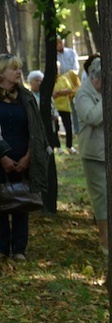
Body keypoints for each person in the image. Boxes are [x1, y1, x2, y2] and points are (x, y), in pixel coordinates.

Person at [0, 54, 50, 260]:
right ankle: (2, 248)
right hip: (1, 159)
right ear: (1, 73)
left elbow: (36, 130)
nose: (19, 72)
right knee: (1, 202)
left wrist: (29, 156)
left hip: (23, 157)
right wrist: (2, 156)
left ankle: (19, 248)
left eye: (19, 68)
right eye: (13, 69)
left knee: (22, 201)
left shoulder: (26, 98)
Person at [73, 58, 108, 255]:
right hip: (94, 154)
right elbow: (92, 117)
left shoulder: (99, 90)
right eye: (101, 82)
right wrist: (106, 97)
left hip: (111, 154)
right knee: (101, 198)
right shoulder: (83, 93)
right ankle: (105, 240)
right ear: (95, 78)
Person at [53, 62, 78, 154]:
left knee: (68, 127)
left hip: (65, 107)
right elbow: (51, 94)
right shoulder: (49, 80)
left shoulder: (63, 78)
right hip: (54, 107)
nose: (57, 71)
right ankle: (58, 147)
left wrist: (58, 93)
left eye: (58, 68)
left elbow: (69, 89)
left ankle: (69, 146)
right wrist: (61, 93)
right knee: (55, 128)